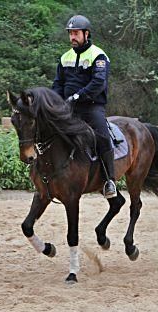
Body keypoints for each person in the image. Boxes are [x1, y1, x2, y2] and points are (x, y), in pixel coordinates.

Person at [51, 14, 117, 199]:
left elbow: (98, 83)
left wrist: (77, 96)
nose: (72, 37)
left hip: (92, 107)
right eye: (70, 33)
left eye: (76, 33)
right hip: (68, 108)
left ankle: (109, 180)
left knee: (102, 136)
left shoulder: (98, 55)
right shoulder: (65, 57)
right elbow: (58, 84)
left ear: (86, 34)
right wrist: (54, 101)